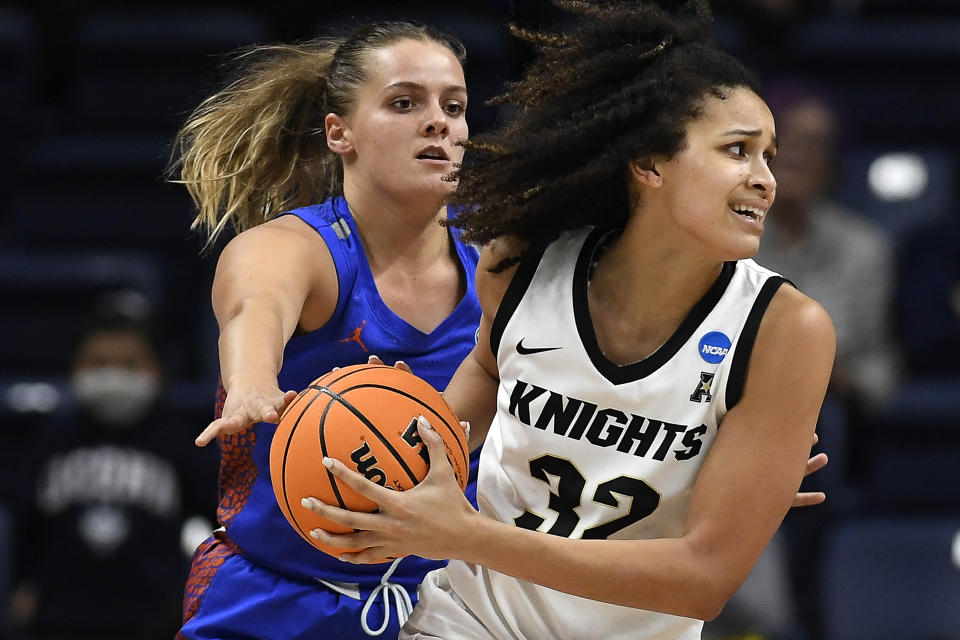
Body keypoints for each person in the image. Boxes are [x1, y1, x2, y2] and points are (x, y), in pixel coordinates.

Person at [301, 2, 836, 639]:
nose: (766, 180)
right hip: (469, 618)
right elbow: (486, 372)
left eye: (768, 156)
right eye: (737, 151)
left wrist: (467, 534)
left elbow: (704, 581)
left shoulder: (785, 329)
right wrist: (392, 460)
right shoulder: (521, 264)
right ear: (650, 164)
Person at [168, 21, 483, 640]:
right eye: (404, 103)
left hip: (451, 606)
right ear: (340, 133)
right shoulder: (296, 246)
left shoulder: (500, 257)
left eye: (455, 107)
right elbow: (255, 308)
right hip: (277, 595)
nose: (438, 123)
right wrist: (253, 383)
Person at [8, 309, 217, 639]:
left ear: (158, 370)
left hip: (154, 617)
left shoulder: (181, 442)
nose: (114, 376)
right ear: (75, 366)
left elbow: (214, 520)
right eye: (99, 363)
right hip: (58, 616)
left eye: (130, 364)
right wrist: (21, 584)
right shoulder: (49, 440)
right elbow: (24, 522)